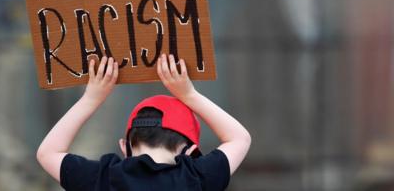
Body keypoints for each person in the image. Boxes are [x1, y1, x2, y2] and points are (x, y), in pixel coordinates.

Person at [36, 54, 251, 190]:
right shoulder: (196, 179)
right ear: (189, 150)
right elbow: (239, 138)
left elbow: (48, 153)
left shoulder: (103, 179)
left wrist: (91, 98)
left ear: (124, 147)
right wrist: (189, 94)